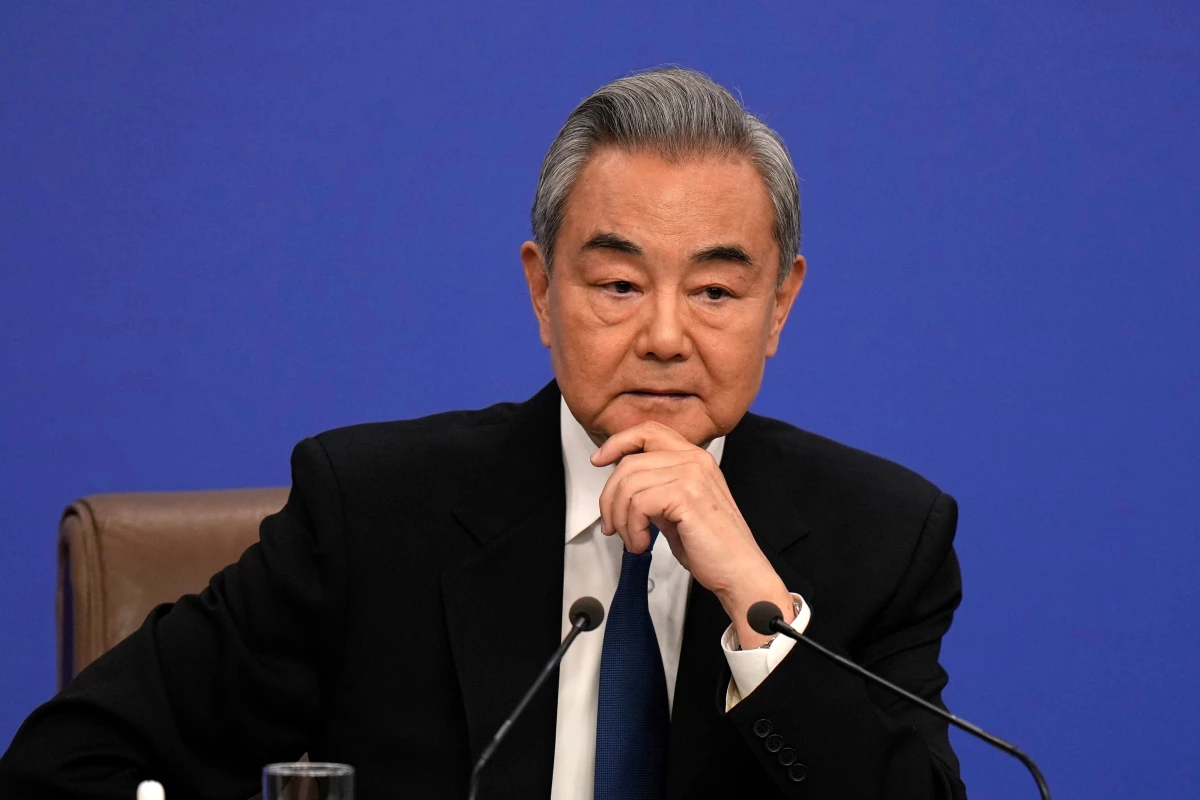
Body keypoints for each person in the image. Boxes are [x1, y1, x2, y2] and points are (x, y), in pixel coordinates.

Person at [0, 67, 967, 799]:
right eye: (619, 285)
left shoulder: (882, 538)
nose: (666, 337)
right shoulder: (371, 513)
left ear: (781, 305)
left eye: (715, 291)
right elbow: (70, 760)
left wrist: (761, 616)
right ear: (542, 290)